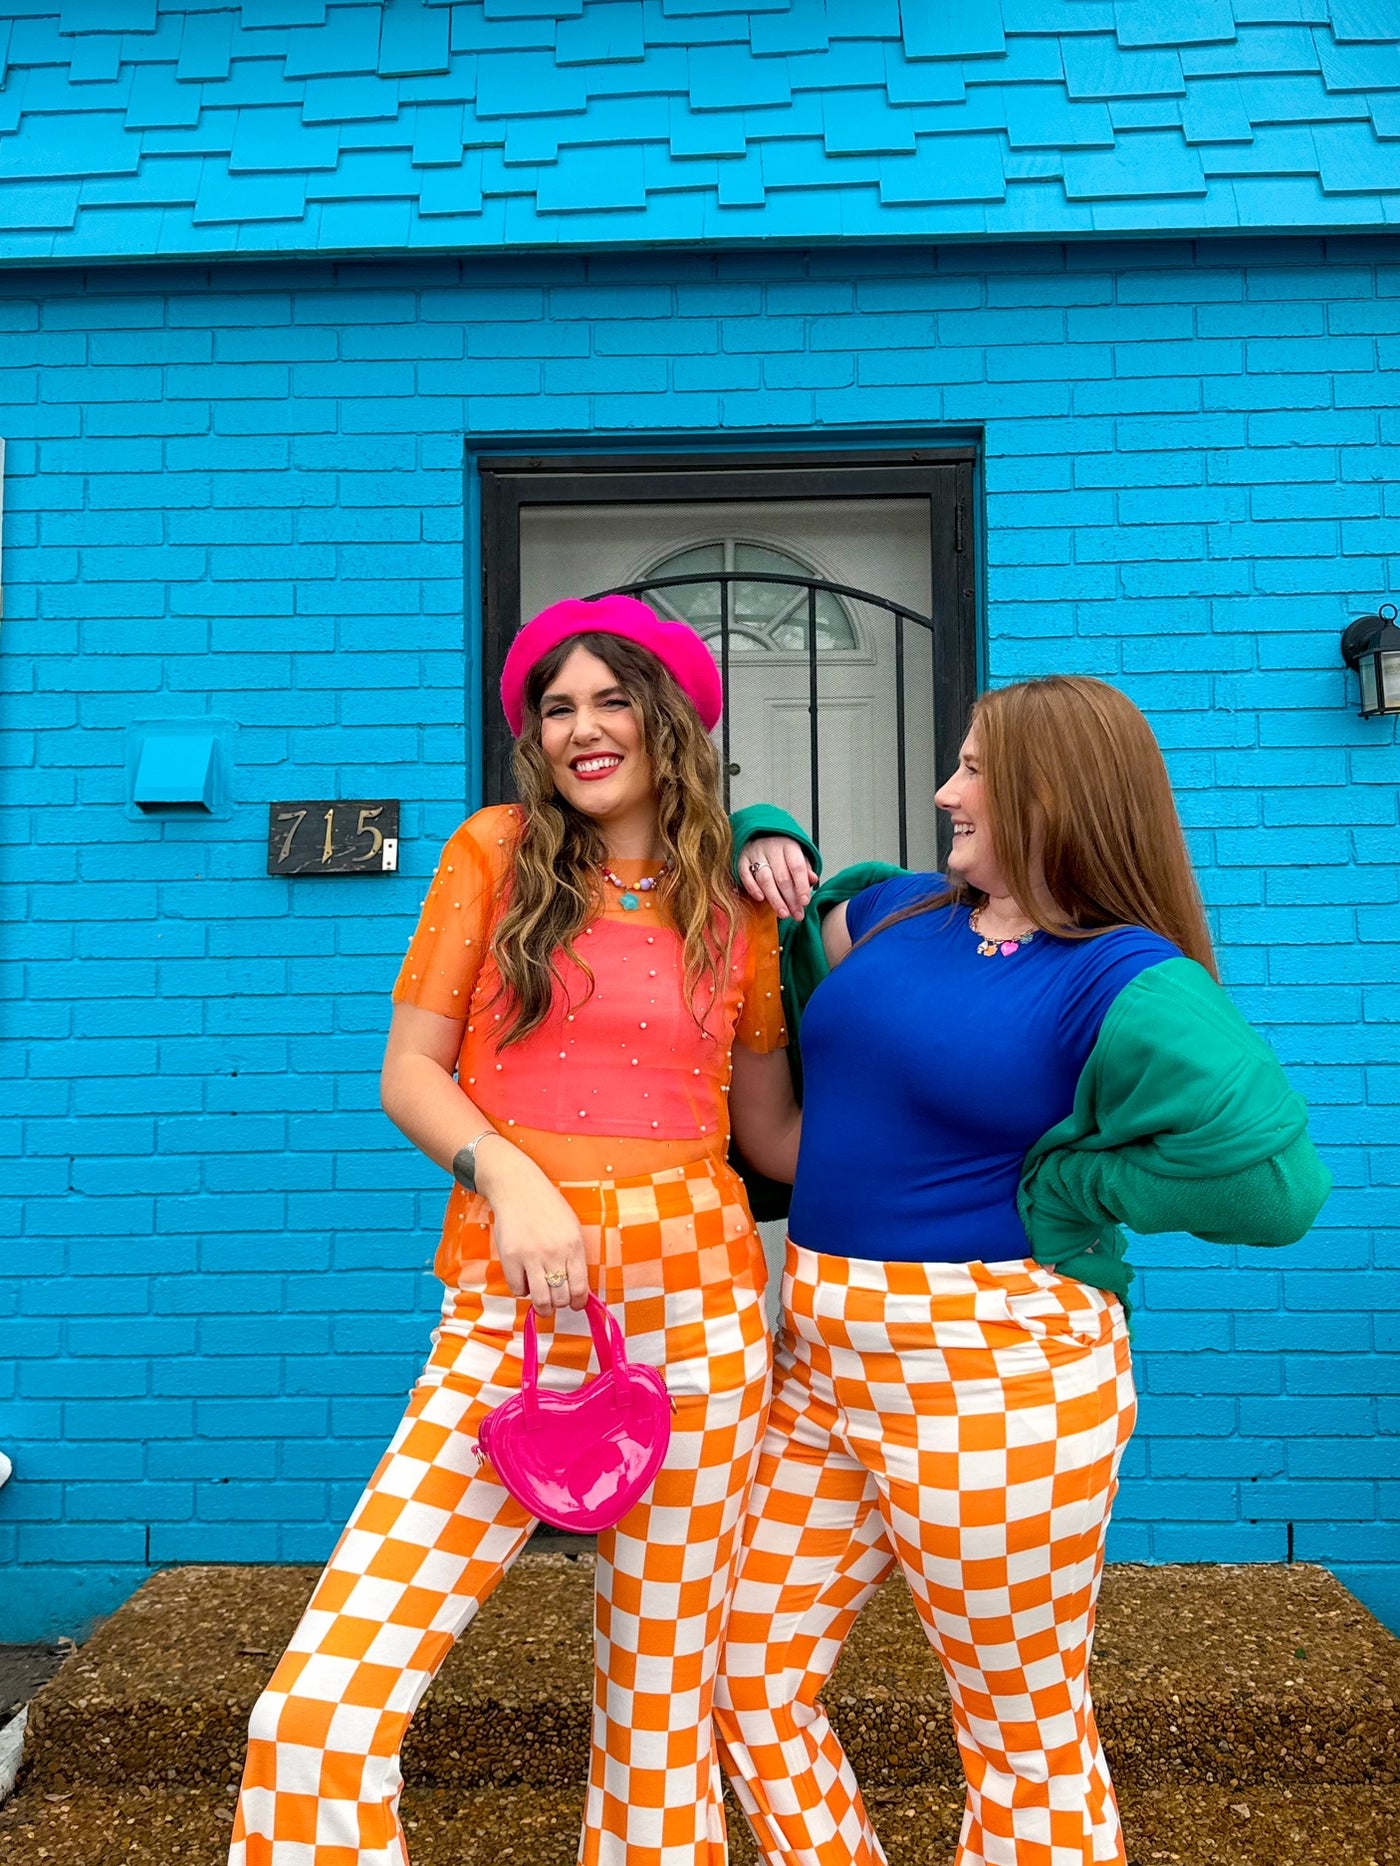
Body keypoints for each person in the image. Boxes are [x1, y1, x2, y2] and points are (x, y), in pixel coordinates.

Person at [228, 595, 809, 1866]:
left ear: (672, 720)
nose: (582, 729)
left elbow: (770, 1136)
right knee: (319, 1712)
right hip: (510, 1322)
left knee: (657, 1728)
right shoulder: (493, 853)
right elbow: (410, 1073)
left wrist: (979, 1161)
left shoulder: (737, 904)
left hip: (702, 1329)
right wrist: (509, 1176)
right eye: (556, 708)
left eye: (612, 700)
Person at [715, 675, 1331, 1866]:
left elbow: (1274, 1185)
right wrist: (759, 831)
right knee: (742, 1677)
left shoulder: (1120, 976)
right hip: (821, 1366)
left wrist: (1072, 1189)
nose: (944, 792)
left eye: (974, 771)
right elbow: (773, 930)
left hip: (996, 1377)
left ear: (1054, 793)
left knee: (1018, 1735)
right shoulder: (895, 913)